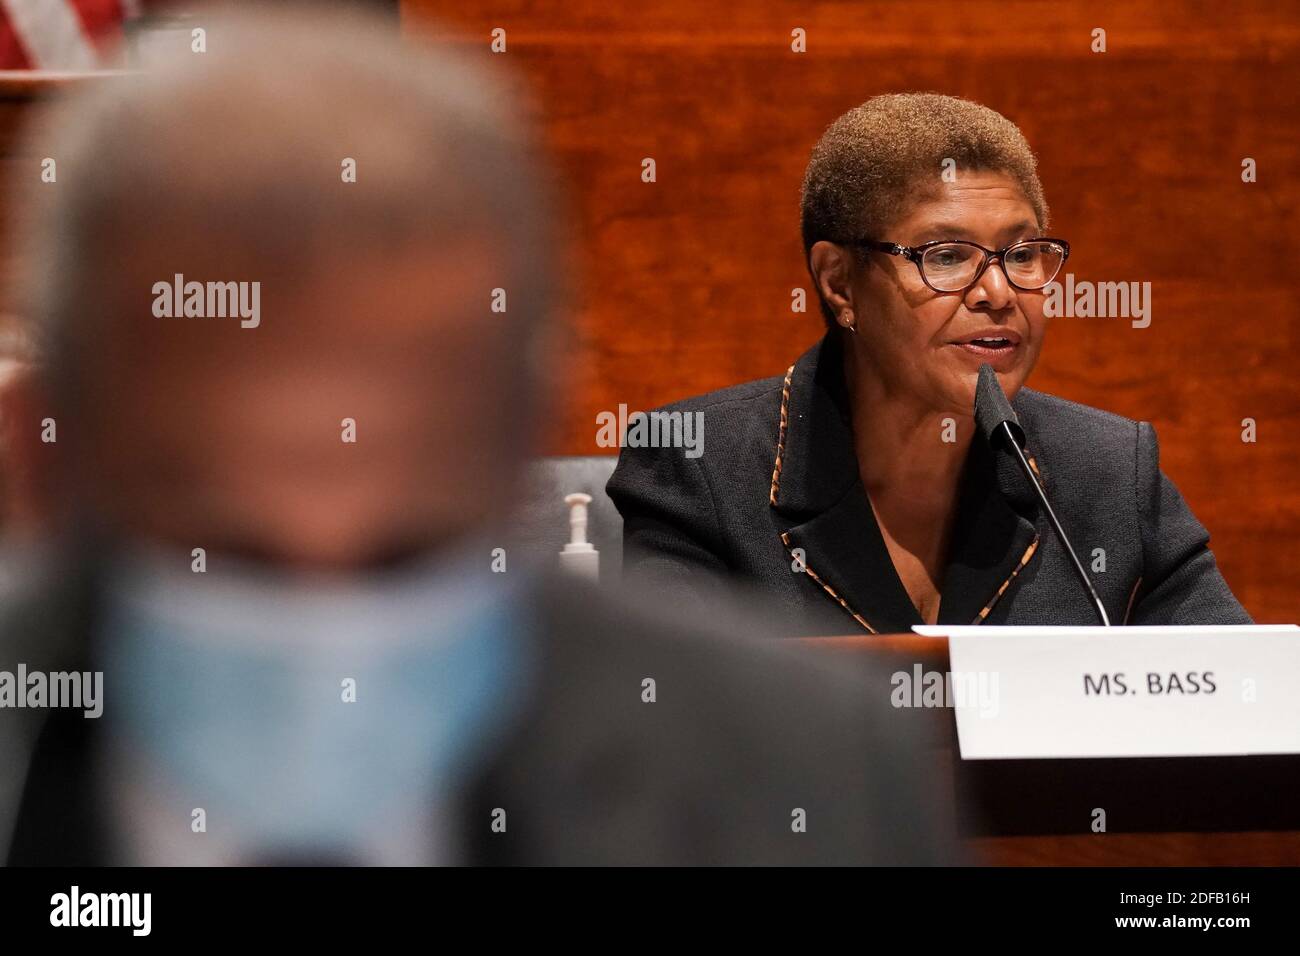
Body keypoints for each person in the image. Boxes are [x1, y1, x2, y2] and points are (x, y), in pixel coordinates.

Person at [0, 5, 952, 866]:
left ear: (525, 439)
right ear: (40, 450)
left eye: (408, 549)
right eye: (225, 552)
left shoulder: (806, 777)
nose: (326, 637)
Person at [607, 93, 1251, 636]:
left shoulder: (1109, 472)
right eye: (946, 257)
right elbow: (675, 734)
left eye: (1022, 254)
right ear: (839, 284)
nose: (998, 292)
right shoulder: (699, 471)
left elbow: (1242, 704)